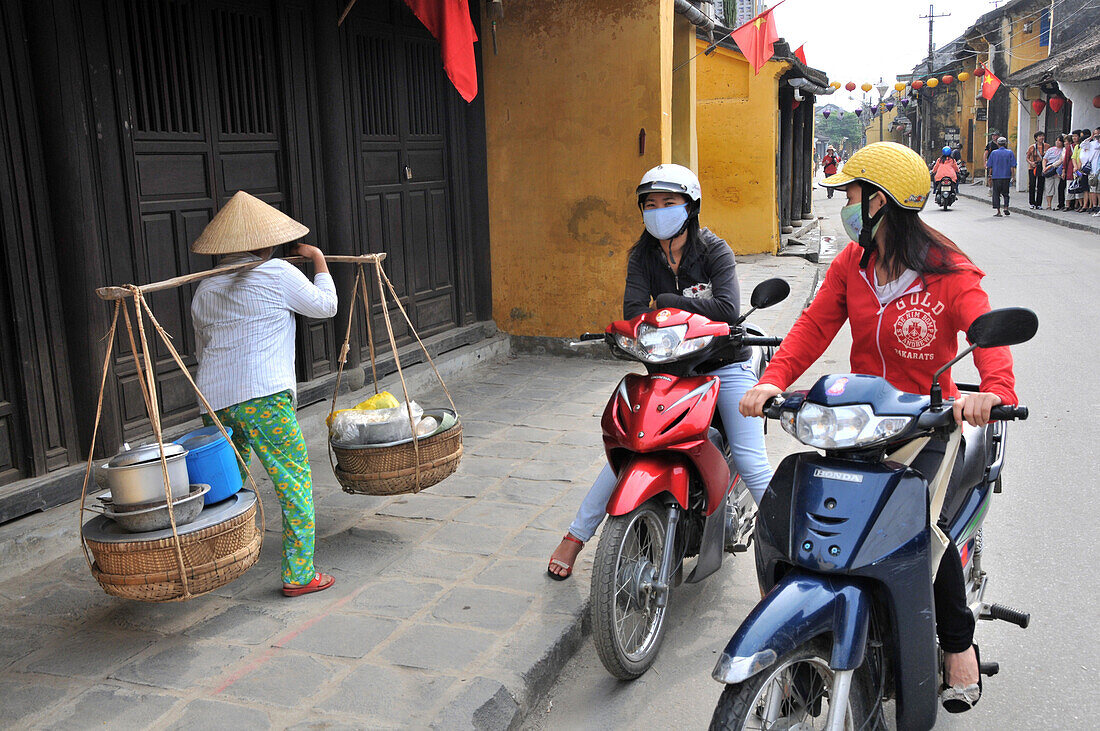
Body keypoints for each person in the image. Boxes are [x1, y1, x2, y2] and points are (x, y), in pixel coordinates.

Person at [739, 141, 1018, 713]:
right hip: (860, 419)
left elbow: (987, 334)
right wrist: (774, 381)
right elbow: (813, 327)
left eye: (852, 194)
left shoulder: (949, 271)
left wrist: (993, 394)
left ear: (880, 203)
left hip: (929, 421)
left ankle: (958, 643)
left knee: (920, 533)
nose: (844, 203)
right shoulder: (851, 265)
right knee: (794, 520)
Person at [547, 164, 774, 580]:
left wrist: (668, 301)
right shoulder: (643, 255)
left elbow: (726, 309)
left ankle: (788, 546)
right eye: (650, 205)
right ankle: (576, 535)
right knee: (633, 443)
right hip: (670, 365)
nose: (658, 212)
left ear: (691, 207)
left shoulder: (714, 251)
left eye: (669, 203)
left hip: (724, 363)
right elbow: (634, 313)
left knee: (749, 457)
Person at [190, 191, 339, 597]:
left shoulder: (204, 287)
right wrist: (319, 260)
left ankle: (217, 562)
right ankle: (299, 574)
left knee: (226, 486)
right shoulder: (277, 273)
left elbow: (205, 345)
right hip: (263, 398)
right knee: (293, 482)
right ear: (267, 241)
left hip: (215, 399)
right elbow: (326, 305)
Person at [987, 137, 1016, 216]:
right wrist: (1013, 176)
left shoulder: (993, 153)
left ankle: (998, 211)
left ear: (998, 144)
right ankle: (1006, 208)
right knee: (1006, 193)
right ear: (1005, 143)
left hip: (996, 176)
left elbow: (990, 166)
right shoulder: (1010, 152)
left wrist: (990, 175)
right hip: (1006, 176)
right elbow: (1012, 166)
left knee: (996, 194)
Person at [1025, 131, 1049, 209]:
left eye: (1042, 136)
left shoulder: (1047, 146)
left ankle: (1039, 203)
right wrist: (1031, 163)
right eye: (1039, 136)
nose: (1041, 138)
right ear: (1036, 138)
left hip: (1042, 167)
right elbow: (1027, 157)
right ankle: (1032, 202)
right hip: (1033, 167)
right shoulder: (1032, 147)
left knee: (1041, 185)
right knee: (1032, 185)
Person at [1042, 135, 1066, 210]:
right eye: (1056, 140)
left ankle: (1057, 204)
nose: (1057, 142)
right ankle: (1049, 204)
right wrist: (1044, 167)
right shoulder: (1051, 150)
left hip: (1057, 171)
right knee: (1049, 188)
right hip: (1049, 170)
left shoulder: (1064, 150)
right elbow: (1044, 159)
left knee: (1057, 188)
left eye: (1059, 140)